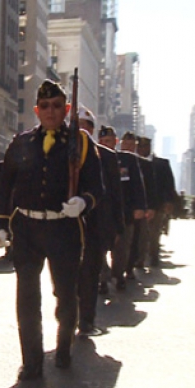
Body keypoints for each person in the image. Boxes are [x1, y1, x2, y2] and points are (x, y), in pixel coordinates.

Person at [0, 80, 104, 380]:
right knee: (27, 298)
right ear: (36, 110)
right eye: (45, 106)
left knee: (66, 296)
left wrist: (83, 201)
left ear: (66, 109)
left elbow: (97, 187)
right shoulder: (22, 142)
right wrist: (1, 223)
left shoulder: (80, 143)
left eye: (57, 106)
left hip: (64, 229)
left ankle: (64, 345)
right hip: (27, 228)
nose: (50, 111)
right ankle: (31, 363)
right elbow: (6, 186)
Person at [76, 110, 124, 336]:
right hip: (69, 225)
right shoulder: (61, 152)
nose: (80, 129)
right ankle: (69, 314)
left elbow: (115, 195)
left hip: (96, 223)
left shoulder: (105, 155)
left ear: (92, 129)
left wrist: (117, 227)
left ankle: (86, 320)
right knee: (67, 277)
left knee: (90, 273)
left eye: (85, 125)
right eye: (76, 125)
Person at [98, 127, 146, 292]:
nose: (106, 145)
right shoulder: (95, 159)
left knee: (122, 249)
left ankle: (118, 275)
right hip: (102, 214)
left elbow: (137, 185)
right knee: (99, 249)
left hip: (125, 212)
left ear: (116, 142)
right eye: (102, 142)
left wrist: (140, 206)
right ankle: (102, 279)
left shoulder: (128, 160)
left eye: (109, 142)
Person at [137, 136, 178, 266]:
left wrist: (168, 202)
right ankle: (140, 258)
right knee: (141, 233)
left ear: (149, 147)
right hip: (139, 204)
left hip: (157, 204)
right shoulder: (134, 162)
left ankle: (153, 255)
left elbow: (169, 185)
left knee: (154, 232)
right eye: (140, 146)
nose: (142, 149)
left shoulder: (162, 164)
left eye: (145, 146)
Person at [122, 133, 155, 279]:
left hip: (135, 207)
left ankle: (128, 268)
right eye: (125, 144)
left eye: (131, 145)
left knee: (134, 239)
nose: (128, 148)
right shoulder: (113, 159)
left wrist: (148, 207)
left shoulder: (144, 164)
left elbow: (150, 188)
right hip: (117, 207)